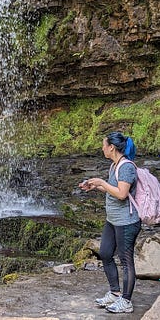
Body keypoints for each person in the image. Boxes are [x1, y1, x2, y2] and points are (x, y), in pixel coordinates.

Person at [79, 131, 140, 314]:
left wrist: (102, 183)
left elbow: (122, 194)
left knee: (125, 260)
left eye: (104, 145)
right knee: (105, 253)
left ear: (111, 147)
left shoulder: (126, 167)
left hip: (127, 222)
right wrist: (95, 187)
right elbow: (114, 191)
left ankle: (126, 301)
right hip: (113, 220)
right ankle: (115, 293)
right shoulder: (114, 166)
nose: (102, 148)